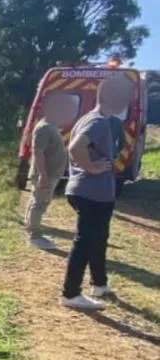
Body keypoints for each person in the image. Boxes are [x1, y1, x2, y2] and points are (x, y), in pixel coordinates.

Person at [59, 75, 133, 310]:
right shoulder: (99, 122)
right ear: (118, 99)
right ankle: (70, 294)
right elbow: (75, 147)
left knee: (98, 239)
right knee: (86, 241)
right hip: (92, 191)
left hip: (92, 191)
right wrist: (91, 167)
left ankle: (99, 284)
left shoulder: (91, 118)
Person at [24, 94, 70, 250]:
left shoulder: (50, 126)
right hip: (45, 174)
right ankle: (34, 236)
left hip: (49, 173)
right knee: (39, 204)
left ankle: (32, 230)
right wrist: (43, 175)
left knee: (36, 202)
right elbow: (38, 152)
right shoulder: (44, 128)